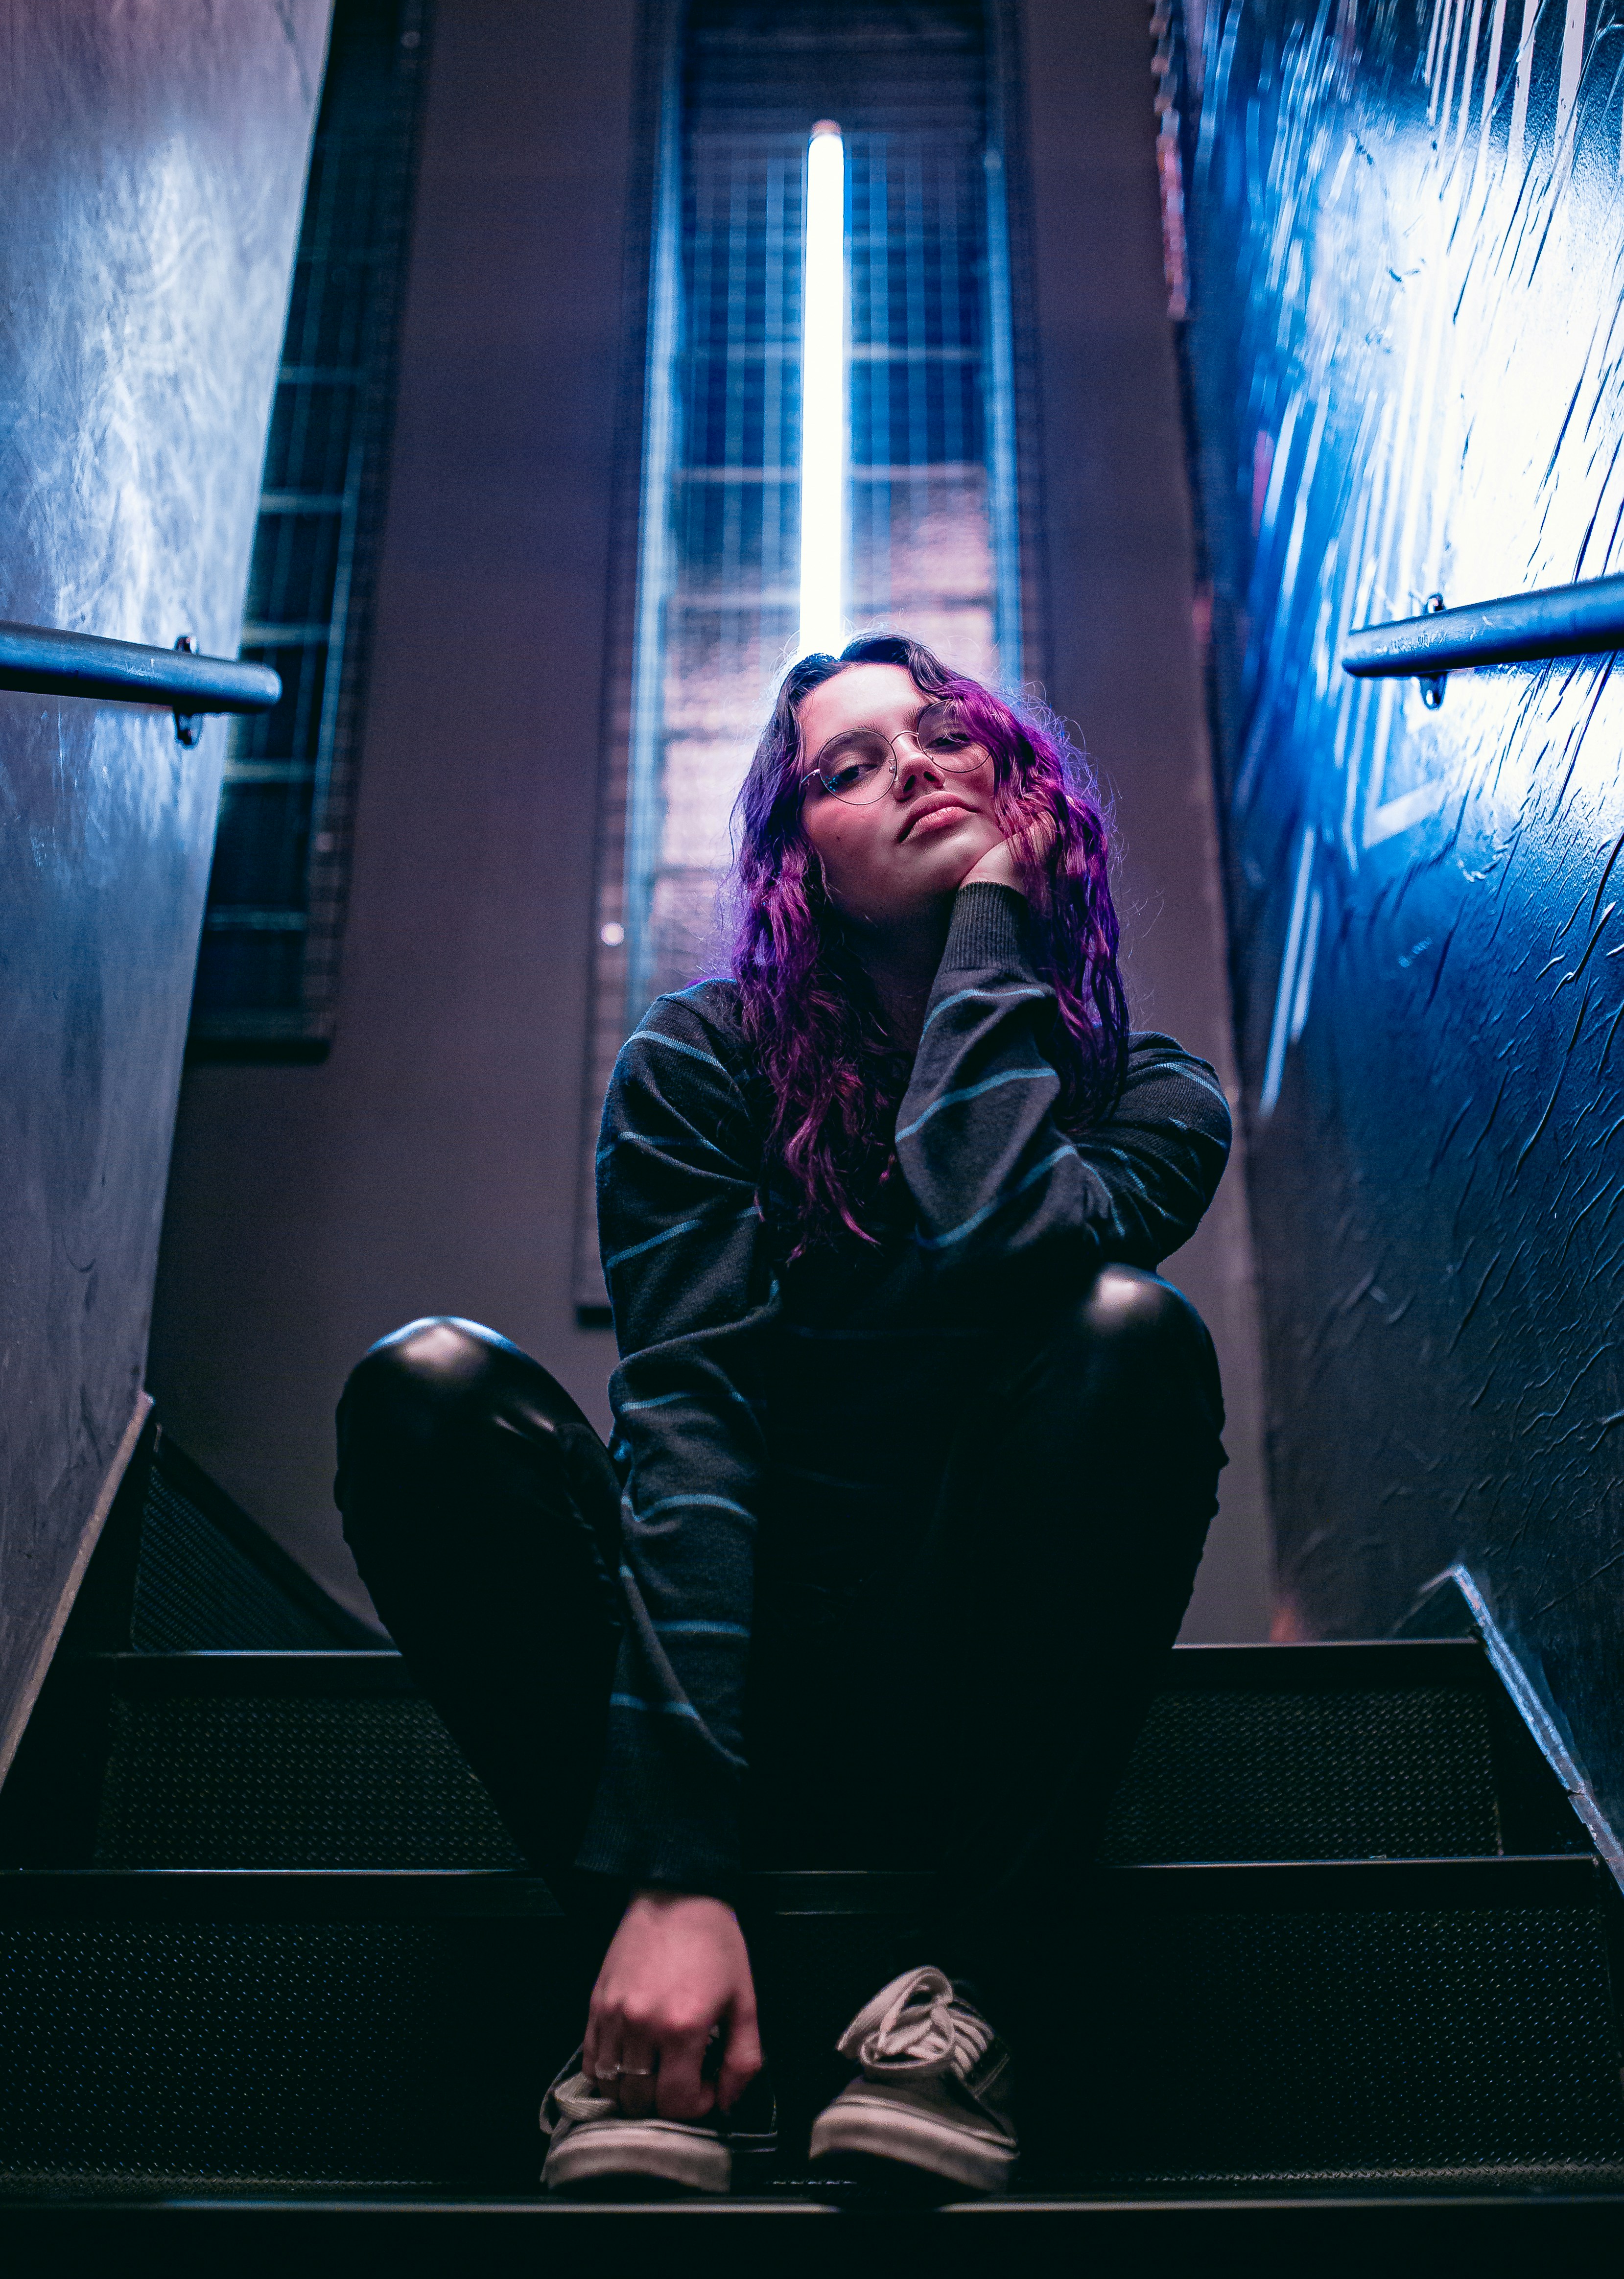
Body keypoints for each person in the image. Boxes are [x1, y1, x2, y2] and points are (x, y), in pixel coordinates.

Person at [334, 634, 1230, 2198]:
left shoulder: (1153, 1102)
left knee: (1126, 1336)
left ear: (1023, 792)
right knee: (427, 1394)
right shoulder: (701, 1070)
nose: (915, 767)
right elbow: (688, 1429)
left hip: (961, 1686)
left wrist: (991, 930)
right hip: (723, 1667)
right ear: (796, 861)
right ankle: (653, 1975)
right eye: (849, 764)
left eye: (948, 735)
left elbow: (1002, 1220)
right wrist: (678, 1868)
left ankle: (961, 1990)